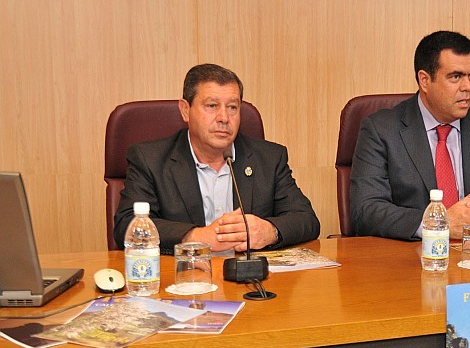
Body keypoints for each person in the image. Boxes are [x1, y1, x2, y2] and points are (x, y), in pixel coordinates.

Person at [350, 30, 470, 240]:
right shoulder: (381, 130)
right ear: (424, 80)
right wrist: (440, 223)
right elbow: (366, 210)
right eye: (456, 76)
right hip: (411, 260)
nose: (467, 87)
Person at [114, 64, 320, 253]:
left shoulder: (268, 158)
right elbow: (126, 224)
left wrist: (270, 231)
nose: (224, 118)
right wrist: (194, 236)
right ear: (185, 110)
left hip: (249, 281)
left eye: (232, 107)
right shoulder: (150, 159)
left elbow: (307, 220)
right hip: (186, 280)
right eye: (212, 106)